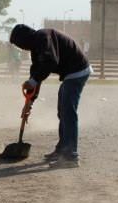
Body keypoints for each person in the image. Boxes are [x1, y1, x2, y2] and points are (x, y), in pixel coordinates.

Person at [9, 23, 91, 168]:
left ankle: (70, 156)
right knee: (62, 111)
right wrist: (29, 102)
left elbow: (50, 62)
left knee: (68, 112)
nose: (22, 48)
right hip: (70, 74)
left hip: (77, 71)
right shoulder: (36, 45)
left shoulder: (43, 37)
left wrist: (33, 81)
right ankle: (62, 149)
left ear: (24, 38)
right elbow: (36, 72)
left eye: (20, 44)